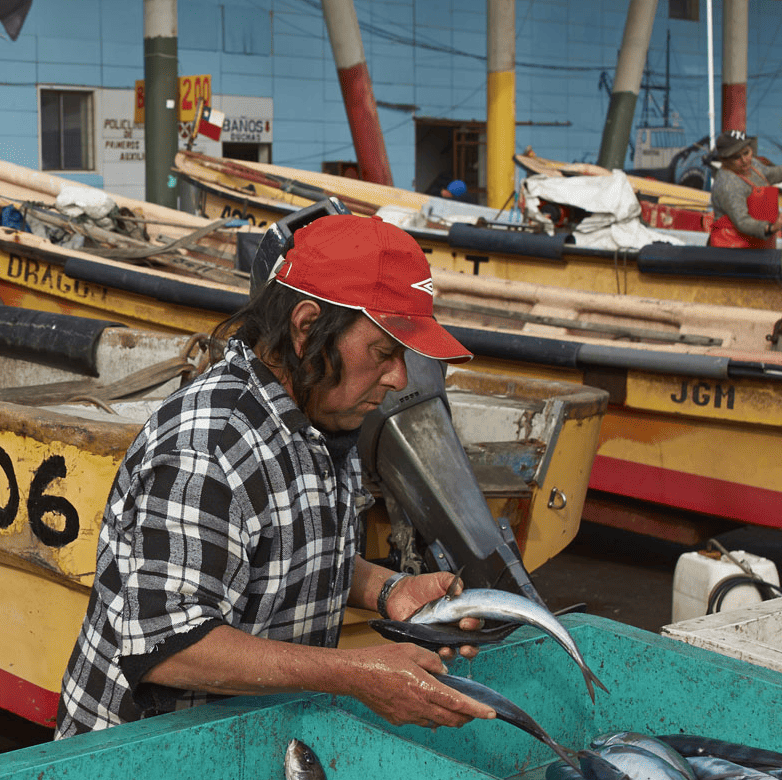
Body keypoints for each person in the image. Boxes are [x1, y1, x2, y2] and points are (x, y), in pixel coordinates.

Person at [56, 214, 496, 738]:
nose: (399, 377)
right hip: (136, 760)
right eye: (383, 352)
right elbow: (166, 646)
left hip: (241, 739)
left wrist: (389, 590)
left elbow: (281, 551)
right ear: (307, 327)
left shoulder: (322, 415)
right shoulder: (209, 444)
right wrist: (356, 675)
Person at [706, 131, 782, 249]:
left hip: (760, 244)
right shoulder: (728, 183)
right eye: (736, 157)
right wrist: (770, 228)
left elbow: (771, 174)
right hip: (732, 251)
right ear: (724, 160)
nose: (744, 160)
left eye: (746, 153)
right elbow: (742, 221)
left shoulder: (752, 166)